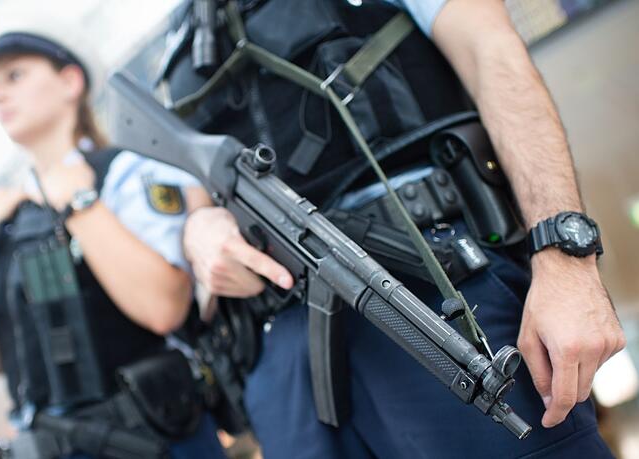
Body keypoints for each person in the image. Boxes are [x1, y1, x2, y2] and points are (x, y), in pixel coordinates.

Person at [171, 0, 626, 457]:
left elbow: (493, 56)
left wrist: (565, 256)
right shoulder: (182, 39)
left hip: (434, 296)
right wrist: (199, 234)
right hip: (285, 352)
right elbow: (195, 194)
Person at [0, 3, 226, 458]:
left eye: (15, 76)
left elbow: (164, 308)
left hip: (152, 438)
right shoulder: (3, 220)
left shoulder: (127, 174)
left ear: (70, 82)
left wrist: (80, 203)